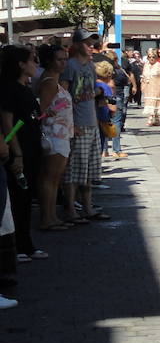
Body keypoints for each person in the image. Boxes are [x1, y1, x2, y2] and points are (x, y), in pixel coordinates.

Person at [0, 45, 46, 264]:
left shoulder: (24, 88)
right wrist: (16, 154)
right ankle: (16, 247)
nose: (35, 64)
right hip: (19, 152)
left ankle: (27, 245)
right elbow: (9, 125)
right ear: (20, 64)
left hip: (32, 148)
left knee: (26, 199)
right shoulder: (9, 89)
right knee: (18, 200)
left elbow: (27, 118)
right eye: (32, 60)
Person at [60, 30, 108, 223]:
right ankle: (71, 210)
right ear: (78, 44)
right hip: (78, 124)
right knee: (73, 170)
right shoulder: (70, 66)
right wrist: (70, 123)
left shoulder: (89, 65)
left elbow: (87, 92)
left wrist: (98, 92)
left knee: (88, 170)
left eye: (93, 43)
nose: (91, 46)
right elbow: (63, 95)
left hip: (91, 123)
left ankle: (88, 207)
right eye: (88, 42)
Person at [35, 43, 73, 231]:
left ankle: (52, 216)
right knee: (50, 178)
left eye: (65, 59)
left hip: (61, 134)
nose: (63, 63)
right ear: (50, 61)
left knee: (55, 178)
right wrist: (47, 114)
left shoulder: (54, 81)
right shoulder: (49, 82)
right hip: (53, 135)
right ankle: (47, 218)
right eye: (60, 59)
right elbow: (39, 111)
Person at [143, 48, 160, 127]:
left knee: (155, 102)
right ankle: (157, 120)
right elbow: (143, 76)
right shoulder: (146, 65)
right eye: (150, 57)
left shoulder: (159, 66)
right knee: (150, 102)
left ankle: (150, 119)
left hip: (157, 87)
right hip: (148, 86)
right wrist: (143, 84)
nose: (151, 59)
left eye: (153, 57)